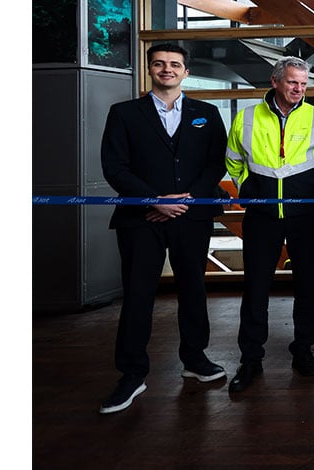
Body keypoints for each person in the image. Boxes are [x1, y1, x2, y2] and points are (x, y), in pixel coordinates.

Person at [97, 43, 229, 413]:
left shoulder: (207, 113)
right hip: (141, 219)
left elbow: (215, 163)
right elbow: (114, 166)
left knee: (193, 289)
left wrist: (183, 201)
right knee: (138, 294)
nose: (166, 69)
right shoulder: (124, 113)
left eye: (174, 64)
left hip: (191, 217)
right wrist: (153, 200)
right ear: (150, 69)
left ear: (186, 72)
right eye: (159, 64)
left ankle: (195, 359)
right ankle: (132, 374)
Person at [225, 55, 314, 394]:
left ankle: (304, 350)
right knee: (255, 286)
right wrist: (248, 188)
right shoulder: (246, 117)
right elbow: (233, 160)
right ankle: (250, 358)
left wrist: (313, 190)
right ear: (275, 81)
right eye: (292, 82)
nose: (298, 89)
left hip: (306, 214)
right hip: (261, 215)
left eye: (303, 84)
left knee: (308, 285)